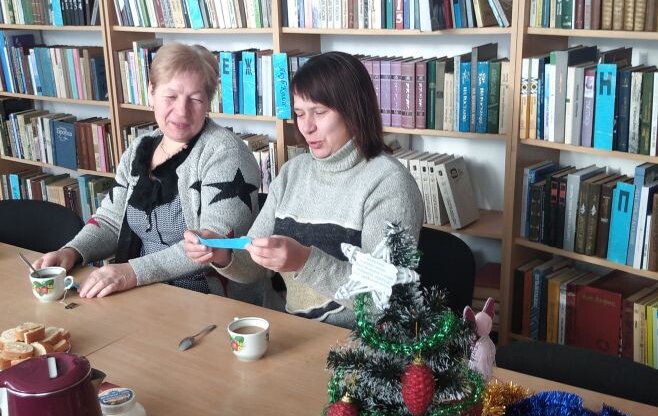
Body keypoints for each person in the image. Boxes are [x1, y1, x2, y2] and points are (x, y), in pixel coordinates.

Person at [184, 52, 424, 327]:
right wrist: (222, 253)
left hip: (360, 343)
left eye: (319, 112)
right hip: (294, 333)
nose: (307, 127)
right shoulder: (292, 173)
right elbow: (253, 266)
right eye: (299, 114)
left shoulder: (390, 184)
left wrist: (304, 262)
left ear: (354, 110)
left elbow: (384, 298)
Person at [34, 43, 261, 298]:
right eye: (171, 96)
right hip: (141, 290)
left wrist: (132, 272)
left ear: (208, 102)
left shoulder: (226, 153)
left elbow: (212, 243)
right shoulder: (140, 148)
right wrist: (72, 251)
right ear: (151, 92)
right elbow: (111, 221)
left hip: (207, 299)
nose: (182, 111)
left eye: (196, 99)